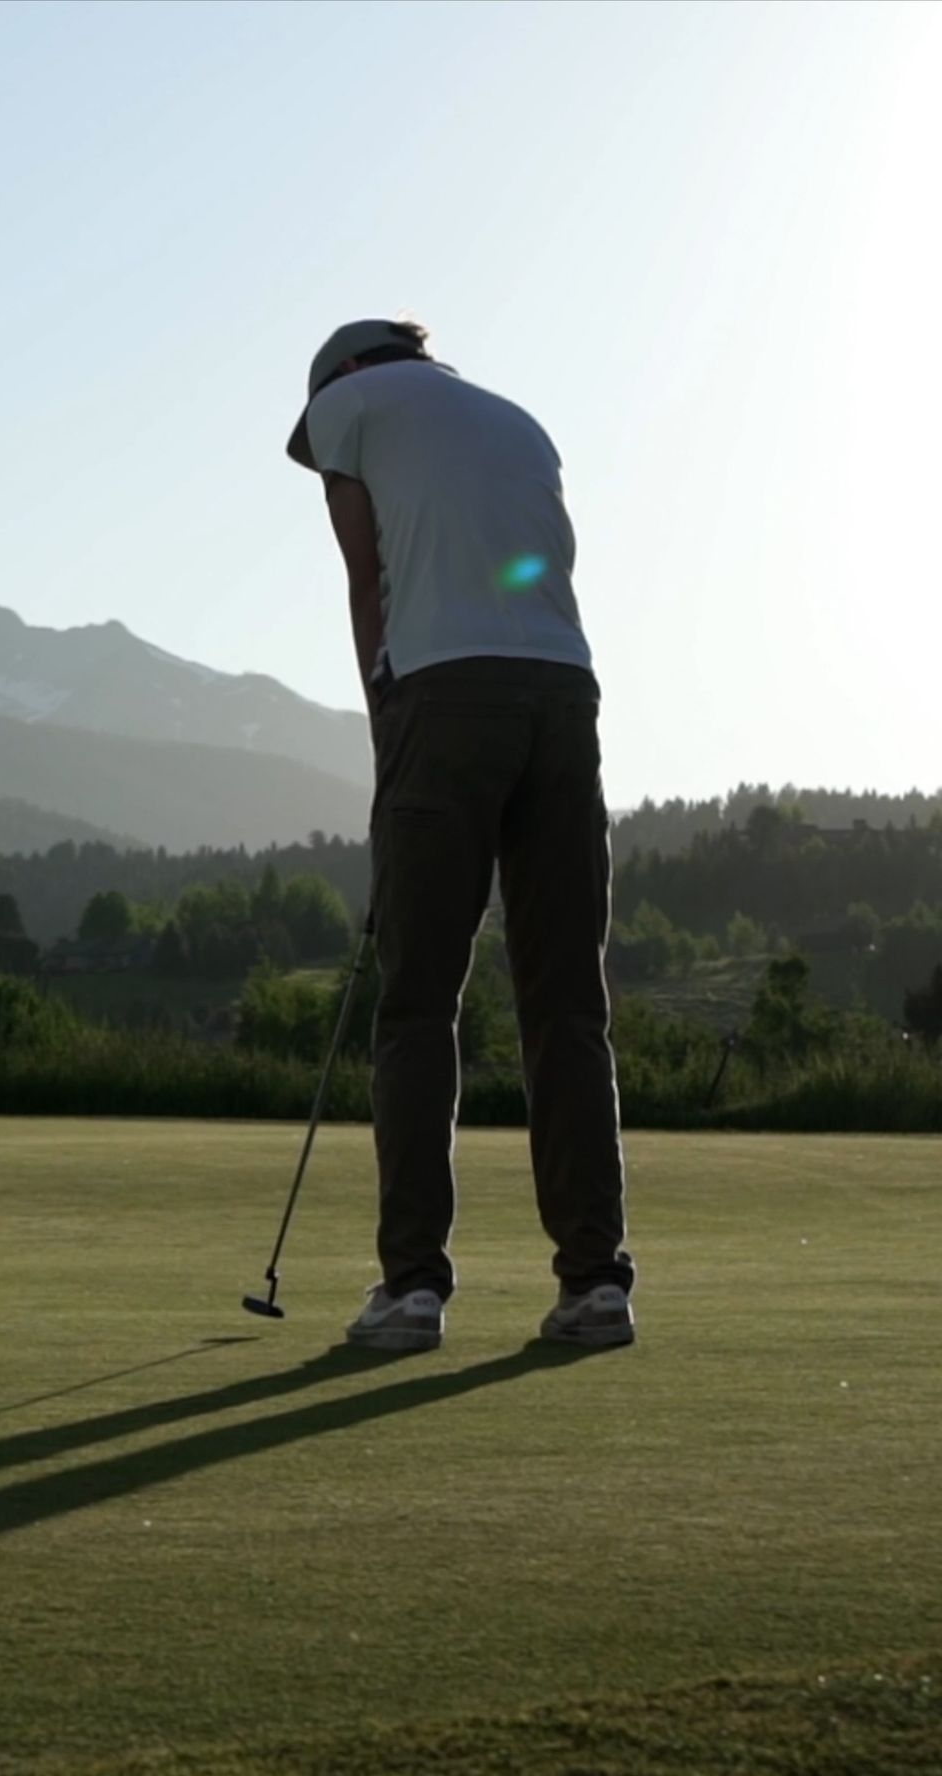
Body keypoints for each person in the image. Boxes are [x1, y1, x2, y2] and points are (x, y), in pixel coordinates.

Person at [286, 319, 635, 1352]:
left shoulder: (345, 407)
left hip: (446, 700)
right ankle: (595, 1283)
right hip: (566, 703)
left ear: (339, 382)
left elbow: (368, 576)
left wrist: (386, 727)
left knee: (417, 1004)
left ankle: (412, 1289)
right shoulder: (519, 421)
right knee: (567, 1003)